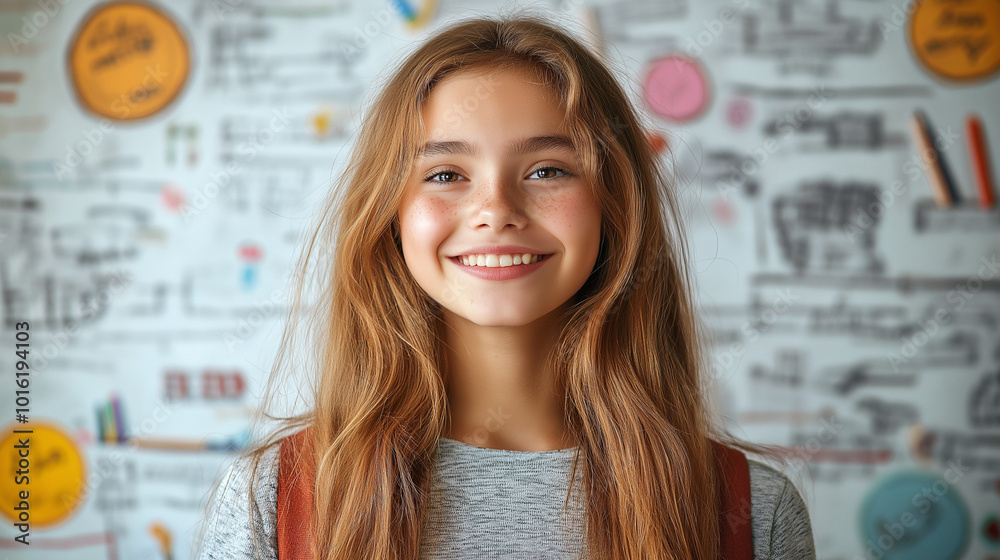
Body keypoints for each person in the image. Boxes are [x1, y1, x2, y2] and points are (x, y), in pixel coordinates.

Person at [194, 10, 816, 560]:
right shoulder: (271, 502)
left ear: (615, 207)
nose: (496, 209)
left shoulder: (753, 512)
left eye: (547, 169)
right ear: (389, 216)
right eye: (445, 174)